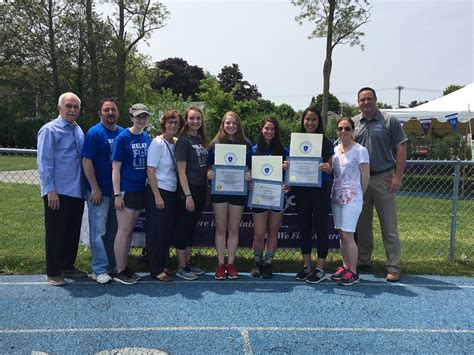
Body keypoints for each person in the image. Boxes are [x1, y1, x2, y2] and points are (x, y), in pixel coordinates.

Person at [353, 87, 407, 282]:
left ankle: (393, 266)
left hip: (384, 177)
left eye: (369, 99)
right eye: (362, 99)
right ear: (358, 102)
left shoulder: (388, 120)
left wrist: (397, 176)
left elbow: (401, 147)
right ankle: (364, 259)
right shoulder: (353, 123)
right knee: (363, 224)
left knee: (388, 225)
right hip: (361, 180)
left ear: (376, 100)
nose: (366, 102)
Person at [37, 92, 87, 286]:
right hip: (57, 191)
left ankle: (67, 265)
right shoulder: (49, 130)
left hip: (77, 190)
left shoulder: (77, 130)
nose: (72, 110)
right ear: (60, 108)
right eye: (69, 106)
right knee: (56, 231)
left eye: (76, 107)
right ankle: (53, 270)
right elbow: (44, 162)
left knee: (72, 231)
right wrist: (50, 190)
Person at [322, 117, 369, 286]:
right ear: (337, 131)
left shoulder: (360, 150)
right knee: (342, 235)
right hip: (337, 196)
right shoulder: (334, 151)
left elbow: (366, 176)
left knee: (349, 235)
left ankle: (353, 272)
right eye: (340, 128)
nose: (343, 131)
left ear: (353, 131)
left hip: (352, 197)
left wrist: (358, 195)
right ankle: (345, 267)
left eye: (347, 128)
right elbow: (330, 171)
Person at [81, 98, 123, 284]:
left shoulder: (123, 133)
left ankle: (112, 266)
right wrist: (95, 188)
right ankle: (98, 269)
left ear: (118, 113)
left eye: (113, 110)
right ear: (100, 113)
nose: (110, 113)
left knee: (114, 231)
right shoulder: (94, 133)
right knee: (98, 231)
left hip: (118, 193)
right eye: (106, 110)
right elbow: (86, 161)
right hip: (100, 192)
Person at [207, 112, 253, 280]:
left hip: (237, 191)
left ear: (238, 125)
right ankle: (220, 264)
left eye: (234, 123)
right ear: (223, 124)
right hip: (219, 190)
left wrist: (249, 174)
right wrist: (209, 173)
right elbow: (209, 167)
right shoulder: (215, 144)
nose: (231, 126)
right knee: (220, 228)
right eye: (228, 123)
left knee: (233, 229)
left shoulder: (246, 144)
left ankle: (231, 264)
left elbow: (250, 168)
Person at [293, 107, 334, 284]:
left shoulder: (326, 142)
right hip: (302, 190)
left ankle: (320, 267)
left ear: (319, 122)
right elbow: (294, 163)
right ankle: (306, 265)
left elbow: (331, 167)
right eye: (307, 119)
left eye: (314, 120)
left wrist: (328, 168)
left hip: (320, 190)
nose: (310, 123)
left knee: (321, 227)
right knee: (304, 227)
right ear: (303, 121)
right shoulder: (297, 140)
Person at [111, 103, 151, 285]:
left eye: (144, 116)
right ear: (131, 117)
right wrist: (117, 194)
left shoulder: (147, 137)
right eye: (138, 116)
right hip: (126, 189)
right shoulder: (123, 138)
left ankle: (124, 266)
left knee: (129, 231)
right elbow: (115, 169)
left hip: (140, 189)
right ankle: (119, 270)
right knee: (124, 230)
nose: (141, 120)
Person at [145, 110, 184, 282]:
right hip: (158, 190)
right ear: (164, 124)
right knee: (156, 231)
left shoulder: (176, 143)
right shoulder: (157, 143)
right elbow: (150, 170)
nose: (173, 125)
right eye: (170, 122)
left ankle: (162, 264)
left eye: (176, 122)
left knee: (166, 231)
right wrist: (157, 195)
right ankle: (155, 269)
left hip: (171, 190)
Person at [250, 117, 289, 279]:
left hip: (276, 196)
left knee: (273, 231)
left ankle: (268, 263)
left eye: (272, 129)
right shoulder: (253, 150)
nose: (269, 131)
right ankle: (257, 262)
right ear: (261, 129)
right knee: (259, 233)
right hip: (259, 196)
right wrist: (249, 181)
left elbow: (290, 175)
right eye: (267, 128)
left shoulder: (283, 150)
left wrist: (288, 179)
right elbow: (247, 172)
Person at [174, 106, 208, 280]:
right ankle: (181, 266)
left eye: (198, 119)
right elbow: (181, 171)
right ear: (186, 120)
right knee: (183, 228)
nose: (196, 121)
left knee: (191, 228)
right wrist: (187, 195)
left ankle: (188, 262)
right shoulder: (183, 141)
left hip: (201, 188)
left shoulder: (201, 140)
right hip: (188, 190)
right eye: (192, 118)